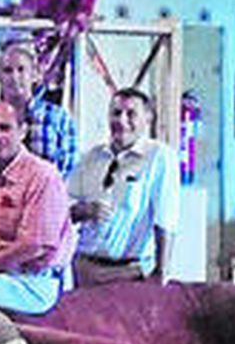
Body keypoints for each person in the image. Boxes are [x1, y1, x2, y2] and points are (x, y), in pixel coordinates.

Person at [0, 102, 76, 316]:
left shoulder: (43, 176)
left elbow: (33, 246)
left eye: (5, 128)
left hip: (34, 281)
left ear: (23, 131)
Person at [68, 89, 180, 285]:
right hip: (86, 268)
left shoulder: (159, 157)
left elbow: (166, 219)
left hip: (129, 271)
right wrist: (83, 210)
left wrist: (161, 273)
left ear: (148, 118)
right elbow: (63, 210)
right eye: (116, 113)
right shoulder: (91, 158)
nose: (121, 120)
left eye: (131, 114)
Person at [0, 43, 77, 176]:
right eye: (8, 70)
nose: (15, 77)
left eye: (21, 69)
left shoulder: (58, 118)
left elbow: (68, 170)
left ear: (34, 74)